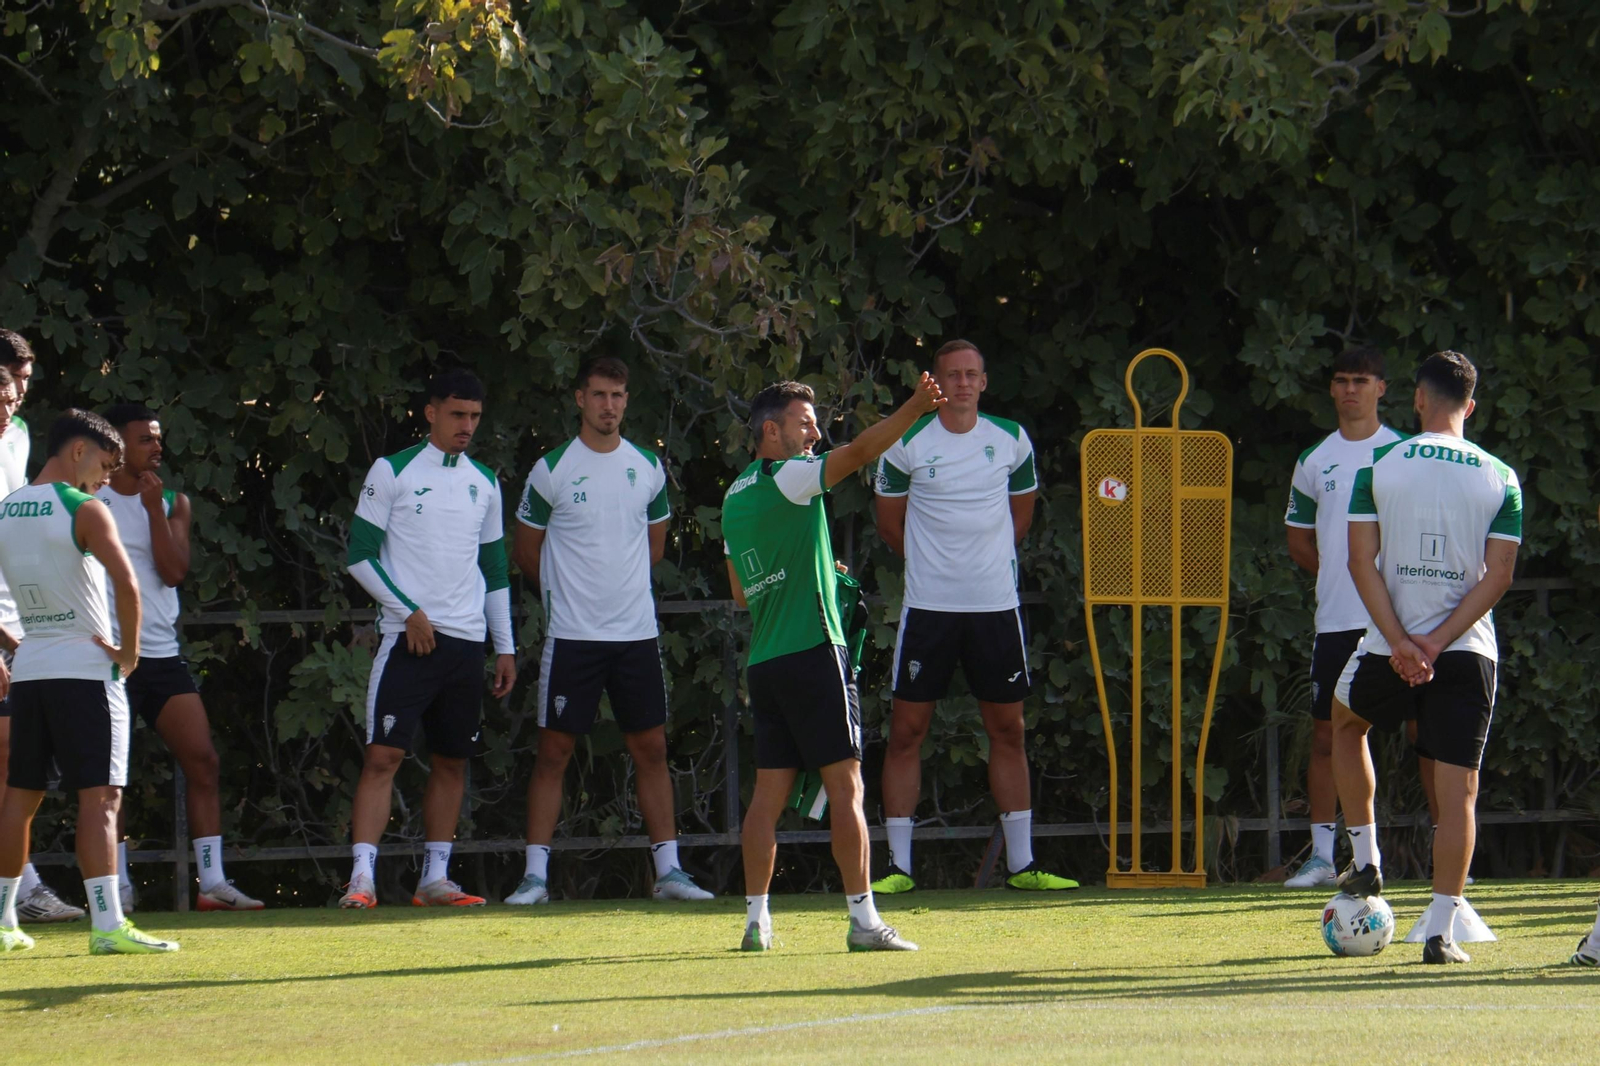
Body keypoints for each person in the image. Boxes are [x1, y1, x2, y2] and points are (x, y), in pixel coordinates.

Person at [723, 373, 944, 953]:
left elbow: (744, 593)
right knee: (847, 788)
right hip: (814, 653)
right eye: (804, 423)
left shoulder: (734, 494)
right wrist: (918, 407)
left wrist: (818, 573)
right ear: (770, 431)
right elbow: (863, 452)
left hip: (766, 663)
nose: (816, 432)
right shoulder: (790, 476)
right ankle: (864, 920)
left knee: (766, 797)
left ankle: (755, 922)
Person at [1330, 351, 1521, 965]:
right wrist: (1437, 644)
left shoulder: (1380, 464)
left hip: (1391, 643)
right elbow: (1499, 575)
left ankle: (1366, 861)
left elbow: (1361, 561)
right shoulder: (1502, 475)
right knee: (1458, 793)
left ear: (1416, 399)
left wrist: (1406, 642)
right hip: (1465, 650)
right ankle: (1440, 931)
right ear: (1470, 405)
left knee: (1343, 723)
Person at [870, 339, 1075, 894]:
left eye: (971, 375)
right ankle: (898, 869)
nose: (962, 383)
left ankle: (1023, 865)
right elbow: (891, 526)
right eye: (951, 375)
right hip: (928, 609)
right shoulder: (906, 440)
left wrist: (983, 566)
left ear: (984, 382)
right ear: (934, 383)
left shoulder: (1010, 439)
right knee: (907, 732)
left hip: (994, 608)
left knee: (1007, 730)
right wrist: (938, 569)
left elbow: (1021, 518)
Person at [507, 357, 713, 905]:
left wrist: (619, 596)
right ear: (580, 399)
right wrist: (569, 595)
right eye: (599, 395)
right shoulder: (551, 468)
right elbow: (526, 554)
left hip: (635, 636)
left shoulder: (647, 466)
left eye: (618, 395)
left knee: (651, 748)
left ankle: (669, 872)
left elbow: (654, 547)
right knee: (553, 752)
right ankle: (534, 877)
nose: (609, 406)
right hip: (572, 636)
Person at [0, 409, 178, 954]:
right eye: (104, 464)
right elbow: (128, 584)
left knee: (19, 798)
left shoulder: (5, 509)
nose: (104, 478)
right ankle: (107, 926)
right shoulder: (84, 508)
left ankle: (4, 924)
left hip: (29, 671)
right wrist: (127, 655)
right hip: (84, 672)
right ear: (78, 450)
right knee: (100, 799)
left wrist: (13, 646)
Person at [340, 369, 515, 908]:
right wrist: (408, 612)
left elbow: (495, 570)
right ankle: (361, 881)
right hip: (408, 638)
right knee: (382, 758)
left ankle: (435, 879)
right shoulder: (391, 471)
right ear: (431, 412)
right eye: (458, 414)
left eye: (475, 417)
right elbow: (359, 555)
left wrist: (504, 645)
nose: (467, 426)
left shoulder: (485, 482)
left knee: (452, 761)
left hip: (466, 643)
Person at [97, 404, 263, 912]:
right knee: (110, 776)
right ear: (116, 445)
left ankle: (212, 883)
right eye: (144, 439)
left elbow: (173, 572)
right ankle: (117, 886)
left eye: (157, 437)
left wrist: (152, 511)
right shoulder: (88, 501)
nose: (156, 447)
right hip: (105, 654)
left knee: (204, 760)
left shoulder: (173, 502)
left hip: (161, 654)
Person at [1282, 348, 1407, 889]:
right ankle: (1321, 857)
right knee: (1328, 737)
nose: (1350, 389)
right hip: (1336, 618)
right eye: (1341, 380)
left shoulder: (1407, 452)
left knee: (1430, 735)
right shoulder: (1315, 458)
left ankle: (1450, 860)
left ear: (1382, 388)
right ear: (1331, 390)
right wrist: (1346, 575)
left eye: (1361, 380)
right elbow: (1300, 541)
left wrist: (1380, 590)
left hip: (1400, 622)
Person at [0, 338, 83, 924]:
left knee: (10, 753)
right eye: (10, 379)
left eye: (24, 380)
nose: (17, 392)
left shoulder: (20, 433)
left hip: (12, 614)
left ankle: (17, 887)